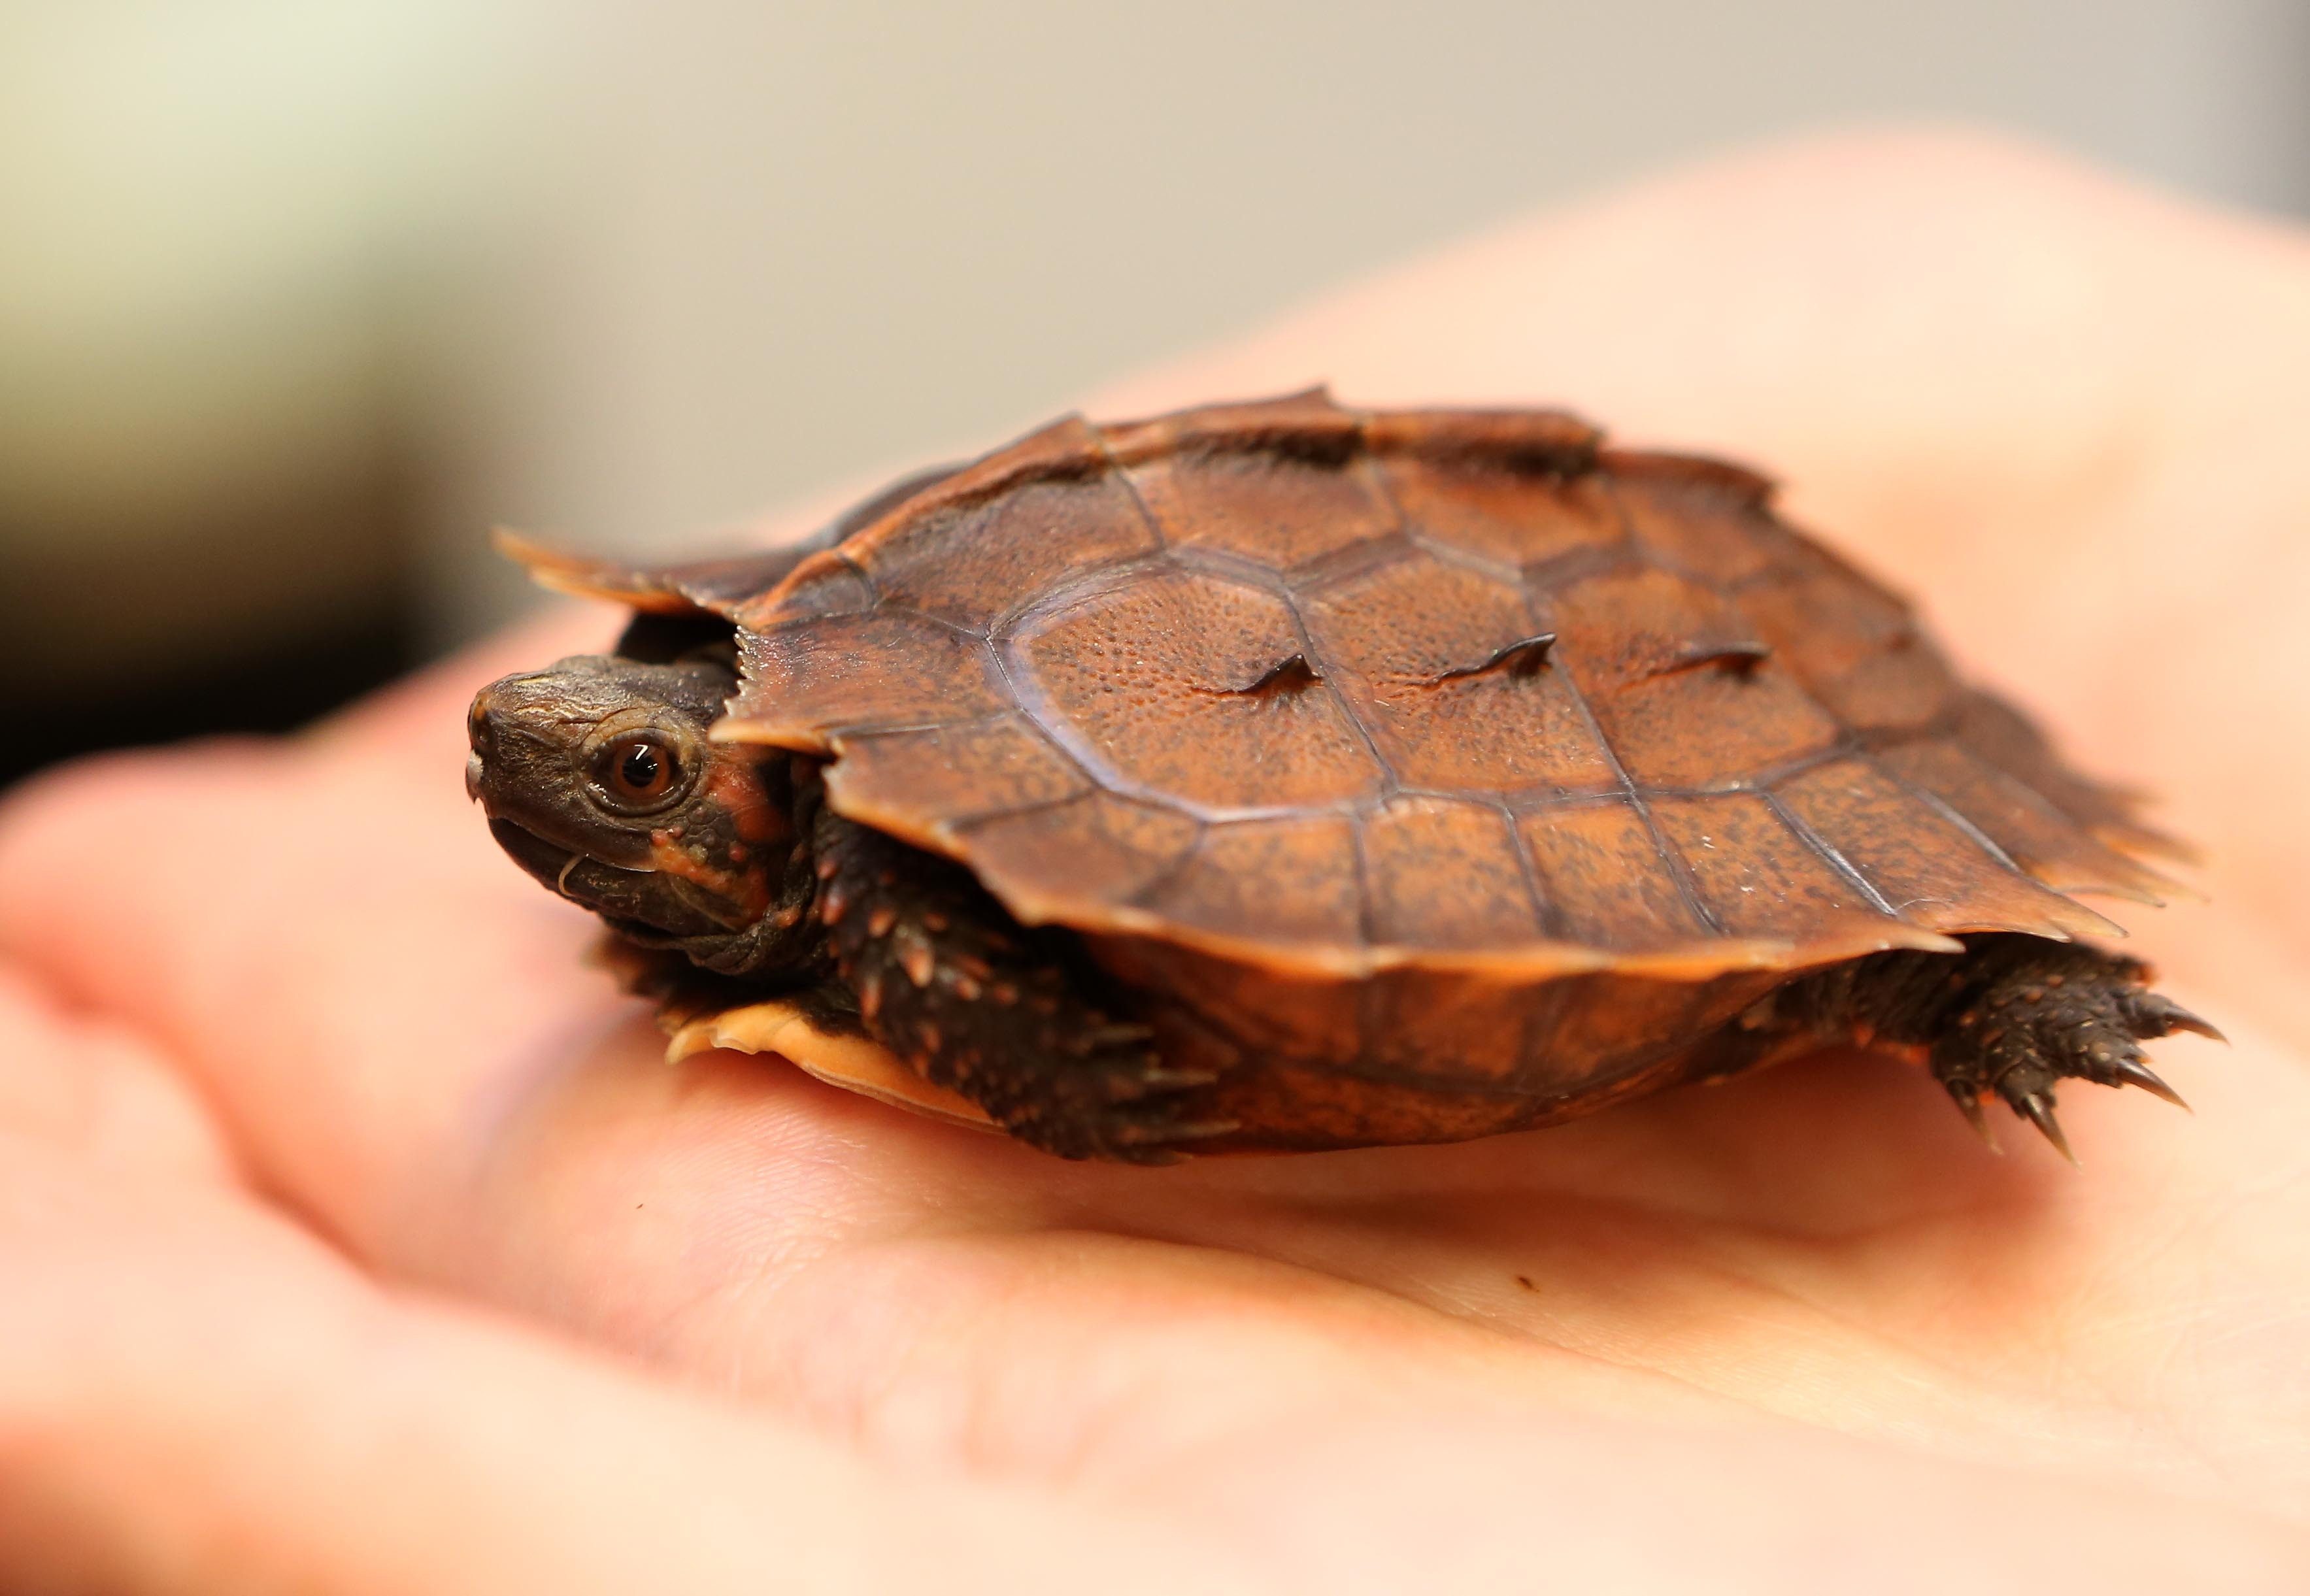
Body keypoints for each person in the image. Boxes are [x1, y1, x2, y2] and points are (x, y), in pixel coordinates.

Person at [1, 130, 2305, 1591]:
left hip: (1696, 740)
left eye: (631, 772)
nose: (546, 761)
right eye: (611, 756)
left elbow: (1003, 930)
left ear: (768, 805)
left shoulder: (892, 891)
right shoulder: (799, 754)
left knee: (1876, 961)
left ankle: (1968, 968)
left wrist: (1000, 1028)